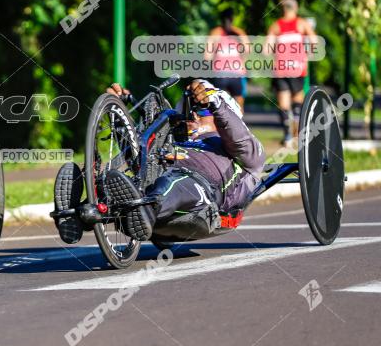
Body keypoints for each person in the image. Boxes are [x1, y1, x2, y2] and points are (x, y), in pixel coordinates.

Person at [76, 79, 266, 242]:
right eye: (188, 111)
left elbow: (236, 133)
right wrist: (120, 113)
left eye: (201, 111)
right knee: (134, 172)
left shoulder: (242, 148)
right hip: (156, 179)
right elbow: (138, 156)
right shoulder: (176, 141)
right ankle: (80, 211)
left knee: (174, 182)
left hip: (202, 188)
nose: (192, 115)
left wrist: (213, 102)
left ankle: (145, 210)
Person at [264, 0, 318, 145]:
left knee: (284, 105)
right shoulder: (302, 24)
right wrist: (309, 54)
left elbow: (266, 50)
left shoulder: (275, 26)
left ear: (283, 9)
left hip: (281, 69)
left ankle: (287, 135)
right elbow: (314, 41)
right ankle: (298, 134)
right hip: (297, 68)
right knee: (297, 104)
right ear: (295, 8)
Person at [205, 8, 249, 109]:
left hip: (219, 73)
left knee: (217, 105)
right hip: (237, 72)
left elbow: (207, 57)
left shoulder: (215, 33)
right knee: (238, 104)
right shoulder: (239, 33)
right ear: (232, 19)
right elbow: (247, 50)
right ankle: (239, 122)